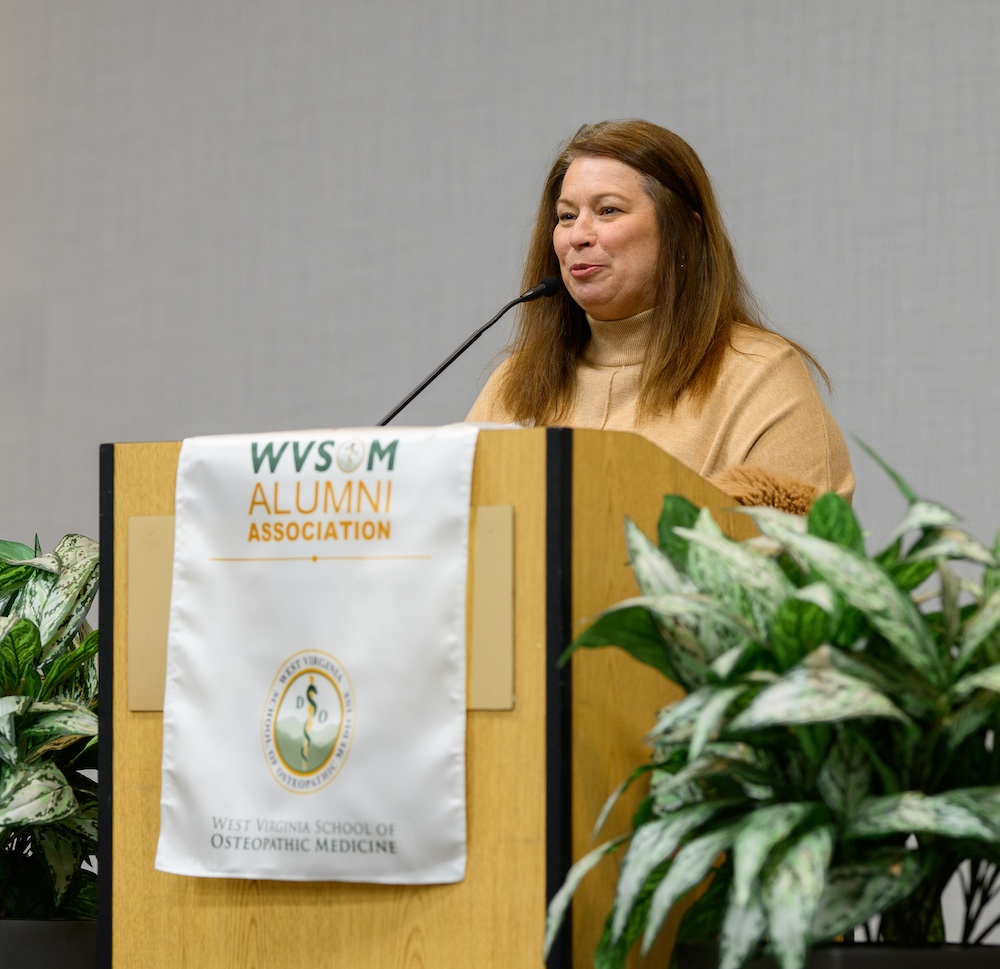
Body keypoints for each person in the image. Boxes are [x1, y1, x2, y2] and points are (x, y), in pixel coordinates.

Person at [466, 120, 854, 507]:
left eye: (608, 210)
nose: (577, 235)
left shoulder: (759, 377)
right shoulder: (516, 384)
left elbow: (800, 554)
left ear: (682, 233)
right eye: (566, 216)